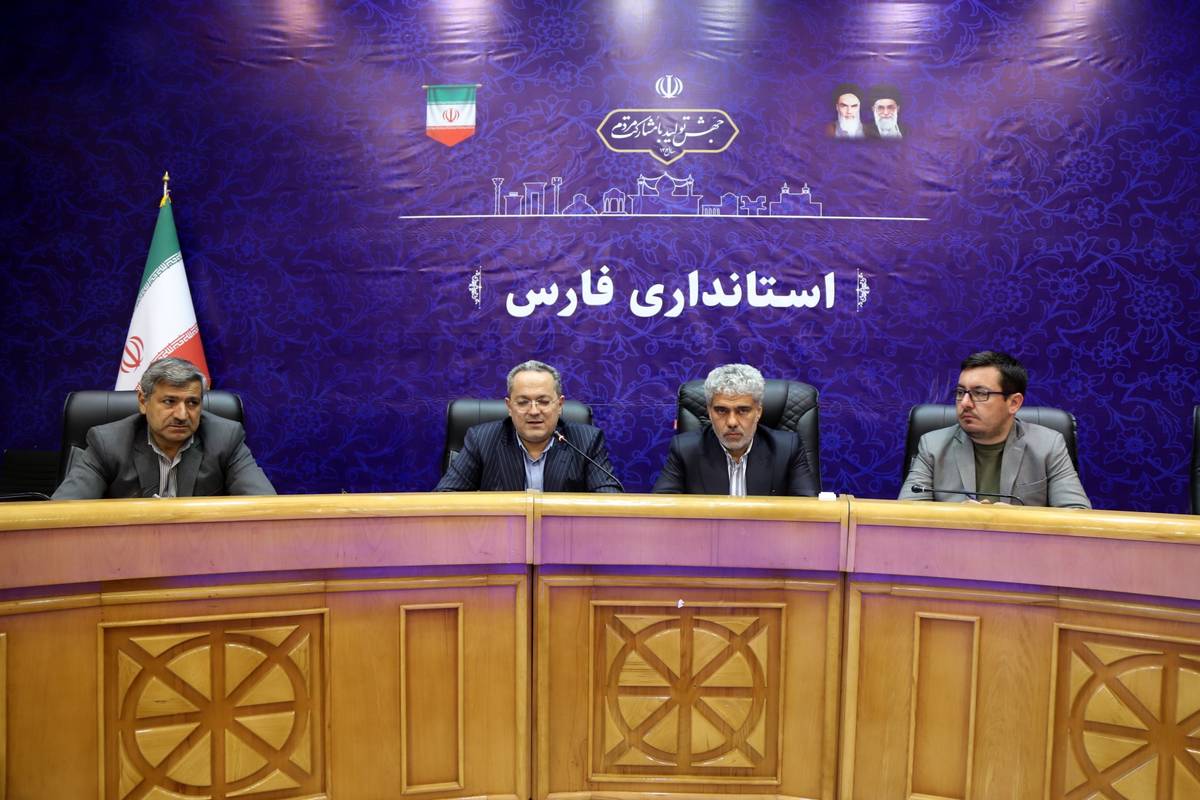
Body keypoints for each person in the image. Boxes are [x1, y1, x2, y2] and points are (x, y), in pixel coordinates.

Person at [53, 357, 276, 499]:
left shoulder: (225, 438)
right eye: (169, 402)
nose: (182, 415)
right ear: (143, 401)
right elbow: (64, 512)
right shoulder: (108, 443)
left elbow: (265, 506)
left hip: (202, 551)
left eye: (192, 403)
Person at [899, 351, 1090, 508]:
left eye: (980, 393)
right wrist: (957, 517)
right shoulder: (932, 445)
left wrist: (1015, 520)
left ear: (1014, 403)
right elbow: (906, 514)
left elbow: (1077, 514)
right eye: (960, 392)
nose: (965, 403)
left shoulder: (1049, 445)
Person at [435, 360, 621, 492]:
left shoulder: (586, 441)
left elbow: (609, 502)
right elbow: (446, 498)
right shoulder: (481, 440)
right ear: (509, 406)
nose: (534, 411)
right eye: (523, 402)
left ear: (559, 405)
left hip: (565, 535)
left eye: (543, 401)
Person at [653, 364, 818, 496]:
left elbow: (808, 513)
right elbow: (661, 512)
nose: (732, 422)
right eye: (721, 410)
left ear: (758, 412)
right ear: (709, 412)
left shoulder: (787, 449)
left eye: (743, 410)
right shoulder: (685, 450)